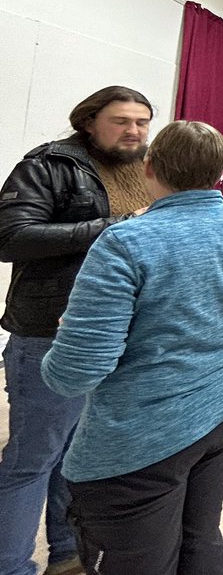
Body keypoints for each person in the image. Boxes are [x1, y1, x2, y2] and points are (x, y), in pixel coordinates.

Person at [39, 120, 223, 573]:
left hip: (140, 436)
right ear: (221, 173)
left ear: (148, 167)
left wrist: (67, 334)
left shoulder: (125, 241)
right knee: (201, 542)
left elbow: (74, 374)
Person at [0, 85, 154, 575]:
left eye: (142, 122)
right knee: (32, 459)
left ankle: (66, 552)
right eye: (121, 121)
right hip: (49, 332)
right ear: (88, 122)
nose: (134, 131)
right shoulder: (47, 165)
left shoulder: (144, 168)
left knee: (78, 456)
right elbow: (11, 237)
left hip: (112, 333)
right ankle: (12, 565)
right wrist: (112, 226)